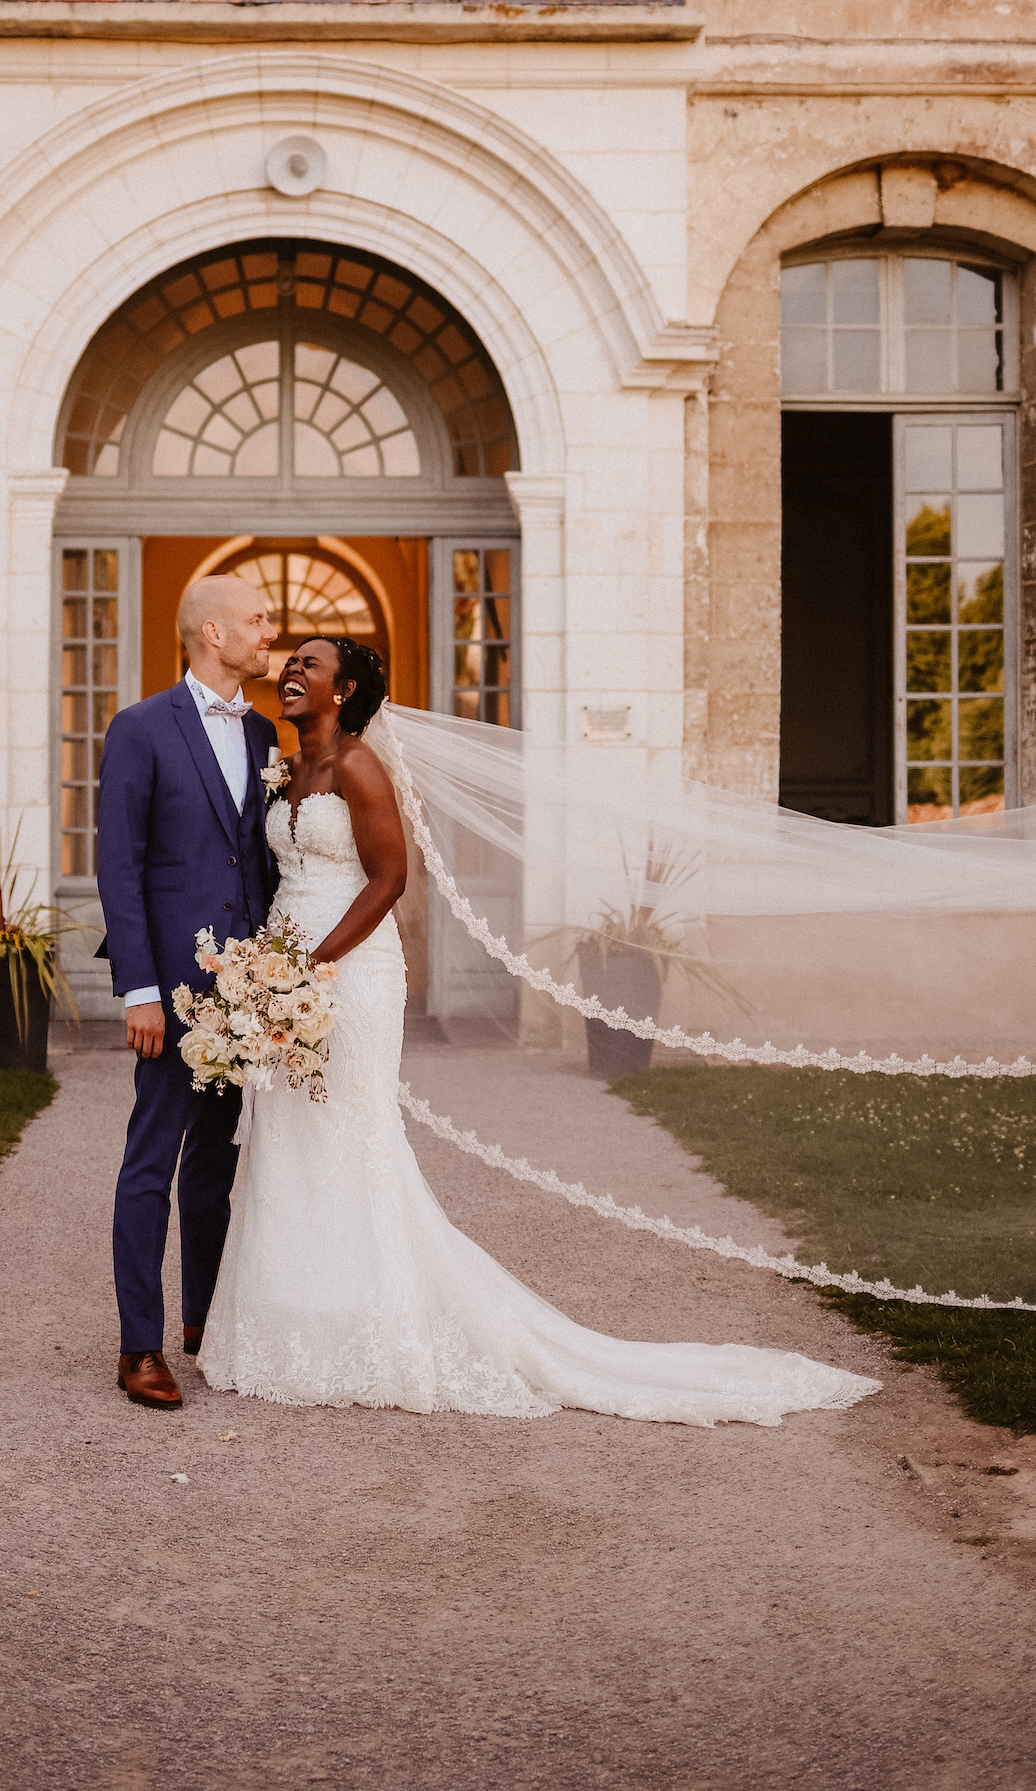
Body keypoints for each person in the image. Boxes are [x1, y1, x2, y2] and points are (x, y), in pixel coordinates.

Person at [200, 637, 881, 1427]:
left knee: (349, 1127)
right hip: (286, 965)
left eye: (309, 665)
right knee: (287, 1128)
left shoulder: (358, 767)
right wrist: (267, 973)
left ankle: (373, 1322)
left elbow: (390, 878)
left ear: (345, 689)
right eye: (290, 663)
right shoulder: (287, 769)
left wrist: (311, 967)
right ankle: (292, 1322)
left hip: (347, 972)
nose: (290, 672)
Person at [97, 574, 280, 1410]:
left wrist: (276, 983)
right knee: (152, 1163)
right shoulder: (139, 730)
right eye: (257, 619)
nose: (268, 631)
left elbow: (261, 863)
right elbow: (120, 868)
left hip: (246, 990)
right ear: (213, 631)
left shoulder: (266, 733)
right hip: (169, 990)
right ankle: (141, 1346)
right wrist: (139, 988)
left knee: (217, 1161)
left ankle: (205, 1320)